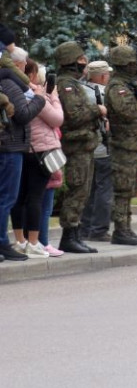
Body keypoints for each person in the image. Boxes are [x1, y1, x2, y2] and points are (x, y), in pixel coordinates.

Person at [54, 41, 105, 255]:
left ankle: (75, 234)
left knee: (82, 191)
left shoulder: (73, 84)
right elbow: (74, 115)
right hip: (76, 145)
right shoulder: (66, 85)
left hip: (83, 144)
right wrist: (97, 110)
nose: (84, 64)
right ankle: (69, 237)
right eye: (81, 60)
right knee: (77, 191)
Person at [9, 60, 63, 258]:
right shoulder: (36, 95)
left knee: (20, 197)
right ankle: (33, 242)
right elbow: (57, 118)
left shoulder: (15, 91)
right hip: (41, 152)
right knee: (35, 198)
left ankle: (20, 240)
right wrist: (53, 97)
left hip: (23, 148)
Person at [104, 45, 137, 246]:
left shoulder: (127, 85)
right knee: (122, 189)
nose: (135, 67)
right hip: (122, 145)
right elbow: (128, 112)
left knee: (129, 189)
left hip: (132, 144)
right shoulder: (118, 87)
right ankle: (120, 230)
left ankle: (126, 227)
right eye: (131, 63)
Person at [79, 60, 113, 242]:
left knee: (88, 190)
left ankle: (84, 228)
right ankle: (99, 229)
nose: (108, 77)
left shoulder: (80, 92)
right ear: (101, 76)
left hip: (85, 148)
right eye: (107, 74)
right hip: (102, 148)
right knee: (104, 190)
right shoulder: (104, 94)